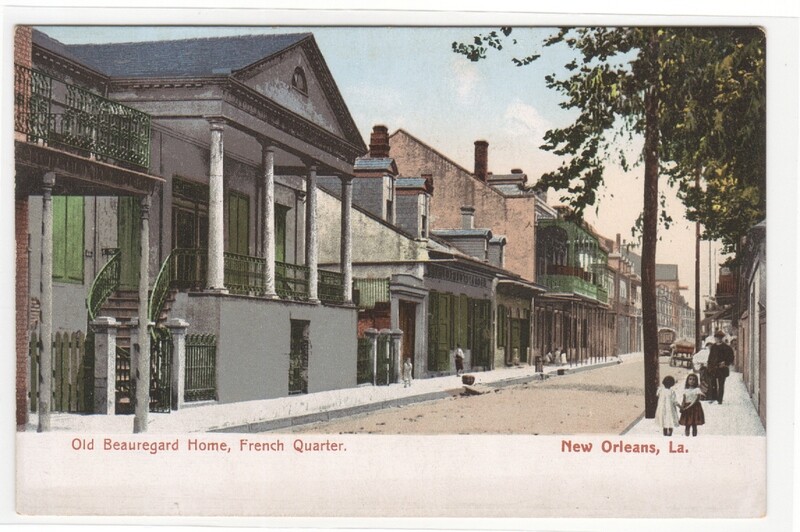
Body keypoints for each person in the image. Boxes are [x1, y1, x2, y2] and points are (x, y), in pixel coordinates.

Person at [707, 329, 735, 404]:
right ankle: (714, 398)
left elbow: (731, 358)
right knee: (713, 384)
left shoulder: (727, 348)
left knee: (721, 384)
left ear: (721, 338)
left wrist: (725, 363)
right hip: (714, 368)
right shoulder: (713, 347)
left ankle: (720, 400)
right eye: (716, 337)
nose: (717, 339)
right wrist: (709, 366)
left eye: (719, 338)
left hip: (722, 369)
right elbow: (710, 358)